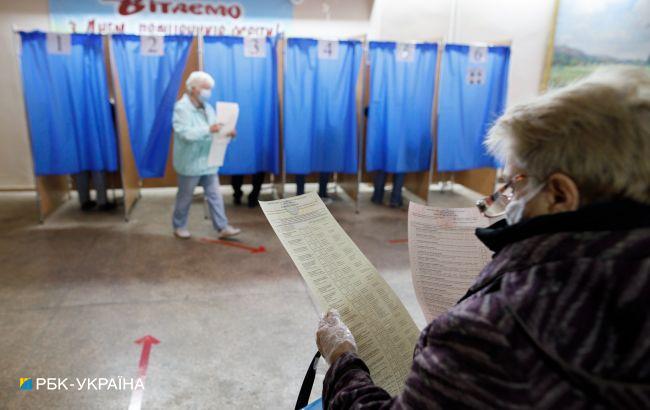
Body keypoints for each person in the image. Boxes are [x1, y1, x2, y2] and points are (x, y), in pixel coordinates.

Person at [316, 67, 650, 408]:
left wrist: (343, 359)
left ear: (561, 195)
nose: (505, 202)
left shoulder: (492, 329)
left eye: (514, 185)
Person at [171, 71, 241, 240]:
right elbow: (185, 133)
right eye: (205, 88)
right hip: (189, 162)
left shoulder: (207, 108)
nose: (208, 92)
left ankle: (222, 227)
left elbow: (216, 130)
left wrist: (227, 132)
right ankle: (179, 226)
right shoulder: (182, 108)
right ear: (193, 88)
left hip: (208, 161)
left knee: (215, 195)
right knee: (185, 197)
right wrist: (208, 130)